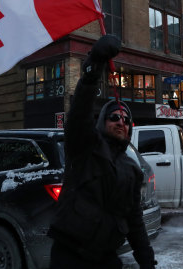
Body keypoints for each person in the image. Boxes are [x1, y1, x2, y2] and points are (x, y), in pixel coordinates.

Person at [48, 35, 156, 269]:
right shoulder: (85, 145)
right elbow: (79, 111)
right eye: (115, 117)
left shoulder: (132, 169)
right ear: (102, 122)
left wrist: (147, 261)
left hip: (106, 257)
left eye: (126, 120)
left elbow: (135, 221)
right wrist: (94, 65)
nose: (121, 122)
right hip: (70, 255)